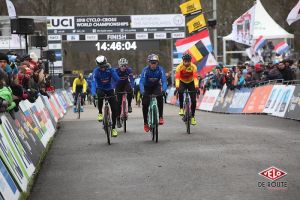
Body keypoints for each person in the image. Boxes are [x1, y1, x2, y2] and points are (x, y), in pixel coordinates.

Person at [93, 55, 120, 137]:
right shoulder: (96, 71)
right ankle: (100, 113)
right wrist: (94, 93)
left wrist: (114, 87)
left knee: (115, 109)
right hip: (100, 88)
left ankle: (114, 128)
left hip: (109, 89)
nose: (102, 68)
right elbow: (93, 83)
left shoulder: (110, 70)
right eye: (100, 67)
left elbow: (117, 79)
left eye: (103, 66)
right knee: (100, 95)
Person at [140, 54, 167, 132]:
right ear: (149, 63)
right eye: (152, 62)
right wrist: (142, 91)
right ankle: (145, 123)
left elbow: (164, 81)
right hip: (147, 88)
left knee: (160, 98)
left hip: (156, 86)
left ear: (157, 63)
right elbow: (141, 82)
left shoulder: (160, 69)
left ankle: (161, 117)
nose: (153, 64)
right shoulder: (145, 70)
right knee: (145, 104)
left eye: (155, 62)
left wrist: (164, 90)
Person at [175, 53, 199, 125]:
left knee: (194, 101)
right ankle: (181, 109)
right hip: (182, 82)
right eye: (185, 61)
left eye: (188, 61)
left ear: (190, 61)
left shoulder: (193, 67)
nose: (187, 63)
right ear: (183, 61)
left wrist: (196, 86)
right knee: (181, 92)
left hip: (191, 82)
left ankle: (192, 117)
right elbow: (177, 78)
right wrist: (177, 86)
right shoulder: (179, 67)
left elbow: (195, 78)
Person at [115, 58, 134, 128]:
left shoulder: (129, 70)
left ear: (127, 66)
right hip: (118, 86)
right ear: (119, 65)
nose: (123, 67)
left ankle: (129, 105)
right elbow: (113, 80)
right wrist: (113, 88)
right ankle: (117, 119)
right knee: (118, 103)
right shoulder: (116, 71)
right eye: (122, 66)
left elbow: (131, 79)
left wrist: (132, 86)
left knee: (130, 90)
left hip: (126, 84)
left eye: (125, 66)